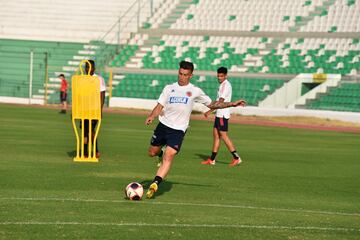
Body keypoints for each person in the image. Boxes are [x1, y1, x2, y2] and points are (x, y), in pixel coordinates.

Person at [145, 61, 246, 198]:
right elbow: (159, 105)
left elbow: (213, 104)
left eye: (185, 75)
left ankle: (155, 183)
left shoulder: (195, 91)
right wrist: (152, 115)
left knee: (169, 156)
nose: (182, 77)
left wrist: (232, 104)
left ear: (191, 75)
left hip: (178, 130)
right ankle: (159, 154)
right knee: (152, 152)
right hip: (163, 125)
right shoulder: (169, 88)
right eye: (180, 74)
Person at [201, 67, 243, 166]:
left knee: (224, 136)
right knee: (216, 136)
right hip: (219, 114)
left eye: (221, 76)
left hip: (222, 115)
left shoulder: (226, 85)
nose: (219, 77)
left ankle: (236, 157)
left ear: (226, 76)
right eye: (218, 75)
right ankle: (212, 159)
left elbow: (221, 101)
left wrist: (210, 111)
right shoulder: (223, 85)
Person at [83, 60, 106, 158]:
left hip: (94, 109)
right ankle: (85, 151)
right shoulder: (82, 79)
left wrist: (100, 109)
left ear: (94, 68)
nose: (88, 69)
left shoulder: (98, 79)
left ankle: (95, 150)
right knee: (84, 131)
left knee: (91, 129)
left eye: (90, 67)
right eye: (86, 67)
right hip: (84, 109)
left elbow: (102, 94)